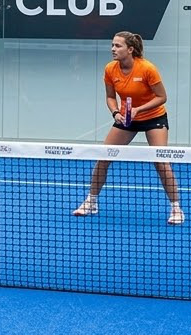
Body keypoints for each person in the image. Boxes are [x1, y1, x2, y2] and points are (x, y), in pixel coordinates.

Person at [74, 31, 183, 225]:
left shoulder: (147, 69)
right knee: (103, 158)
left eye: (118, 46)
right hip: (126, 118)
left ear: (130, 49)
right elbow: (110, 96)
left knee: (160, 162)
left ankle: (176, 208)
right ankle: (91, 202)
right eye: (112, 45)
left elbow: (162, 97)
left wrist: (139, 109)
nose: (113, 49)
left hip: (153, 117)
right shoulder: (110, 69)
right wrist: (116, 112)